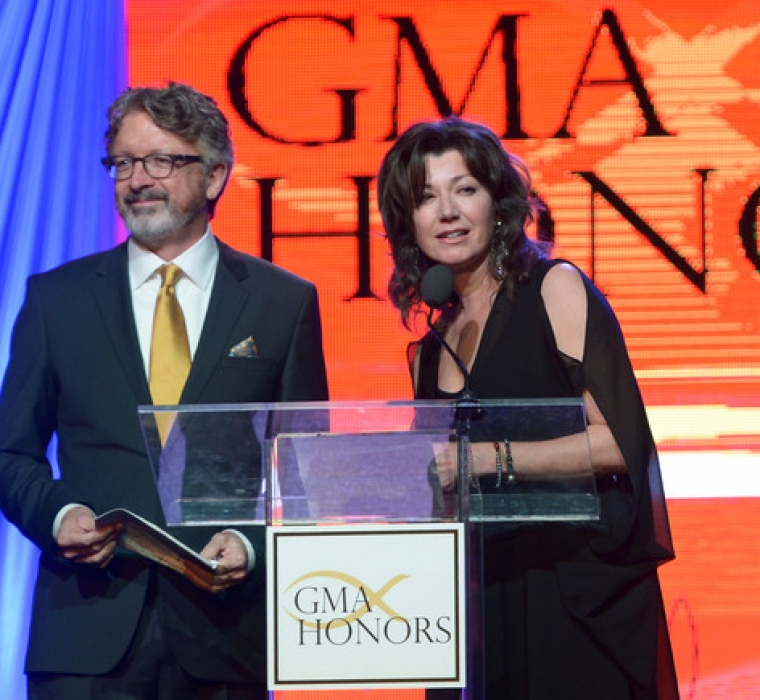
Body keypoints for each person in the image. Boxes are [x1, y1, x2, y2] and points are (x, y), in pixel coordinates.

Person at [0, 82, 329, 699]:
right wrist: (59, 514)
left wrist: (252, 547)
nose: (137, 179)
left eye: (160, 160)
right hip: (86, 637)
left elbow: (304, 470)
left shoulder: (282, 302)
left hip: (226, 640)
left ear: (213, 176)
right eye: (123, 163)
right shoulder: (57, 300)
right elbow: (9, 452)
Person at [377, 117, 679, 699]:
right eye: (425, 197)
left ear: (498, 202)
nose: (447, 211)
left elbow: (620, 442)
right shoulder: (428, 347)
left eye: (465, 189)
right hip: (472, 606)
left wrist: (491, 458)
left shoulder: (553, 288)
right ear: (406, 222)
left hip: (565, 592)